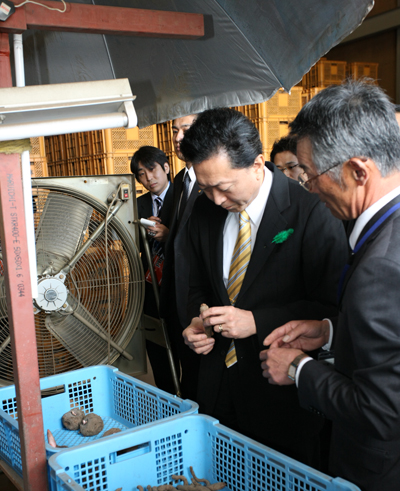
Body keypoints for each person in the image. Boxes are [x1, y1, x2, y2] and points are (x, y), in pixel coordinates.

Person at [259, 79, 400, 491]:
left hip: (386, 485)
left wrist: (298, 369)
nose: (309, 190)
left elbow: (382, 410)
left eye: (313, 176)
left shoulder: (381, 264)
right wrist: (333, 330)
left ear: (358, 170)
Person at [180, 107, 348, 469]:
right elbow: (196, 286)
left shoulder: (312, 212)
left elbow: (332, 309)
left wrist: (257, 320)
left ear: (257, 165)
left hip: (279, 394)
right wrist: (198, 321)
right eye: (205, 187)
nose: (216, 200)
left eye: (223, 187)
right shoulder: (203, 211)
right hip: (217, 388)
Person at [159, 115, 202, 400]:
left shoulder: (213, 185)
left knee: (201, 378)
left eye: (185, 129)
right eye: (175, 130)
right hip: (175, 295)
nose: (177, 138)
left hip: (200, 302)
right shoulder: (179, 180)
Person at [131, 145, 177, 393]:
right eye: (141, 174)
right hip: (149, 287)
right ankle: (166, 398)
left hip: (177, 287)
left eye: (152, 169)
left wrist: (168, 235)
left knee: (182, 348)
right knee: (157, 349)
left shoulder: (182, 199)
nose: (148, 178)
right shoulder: (137, 206)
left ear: (166, 168)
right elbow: (131, 246)